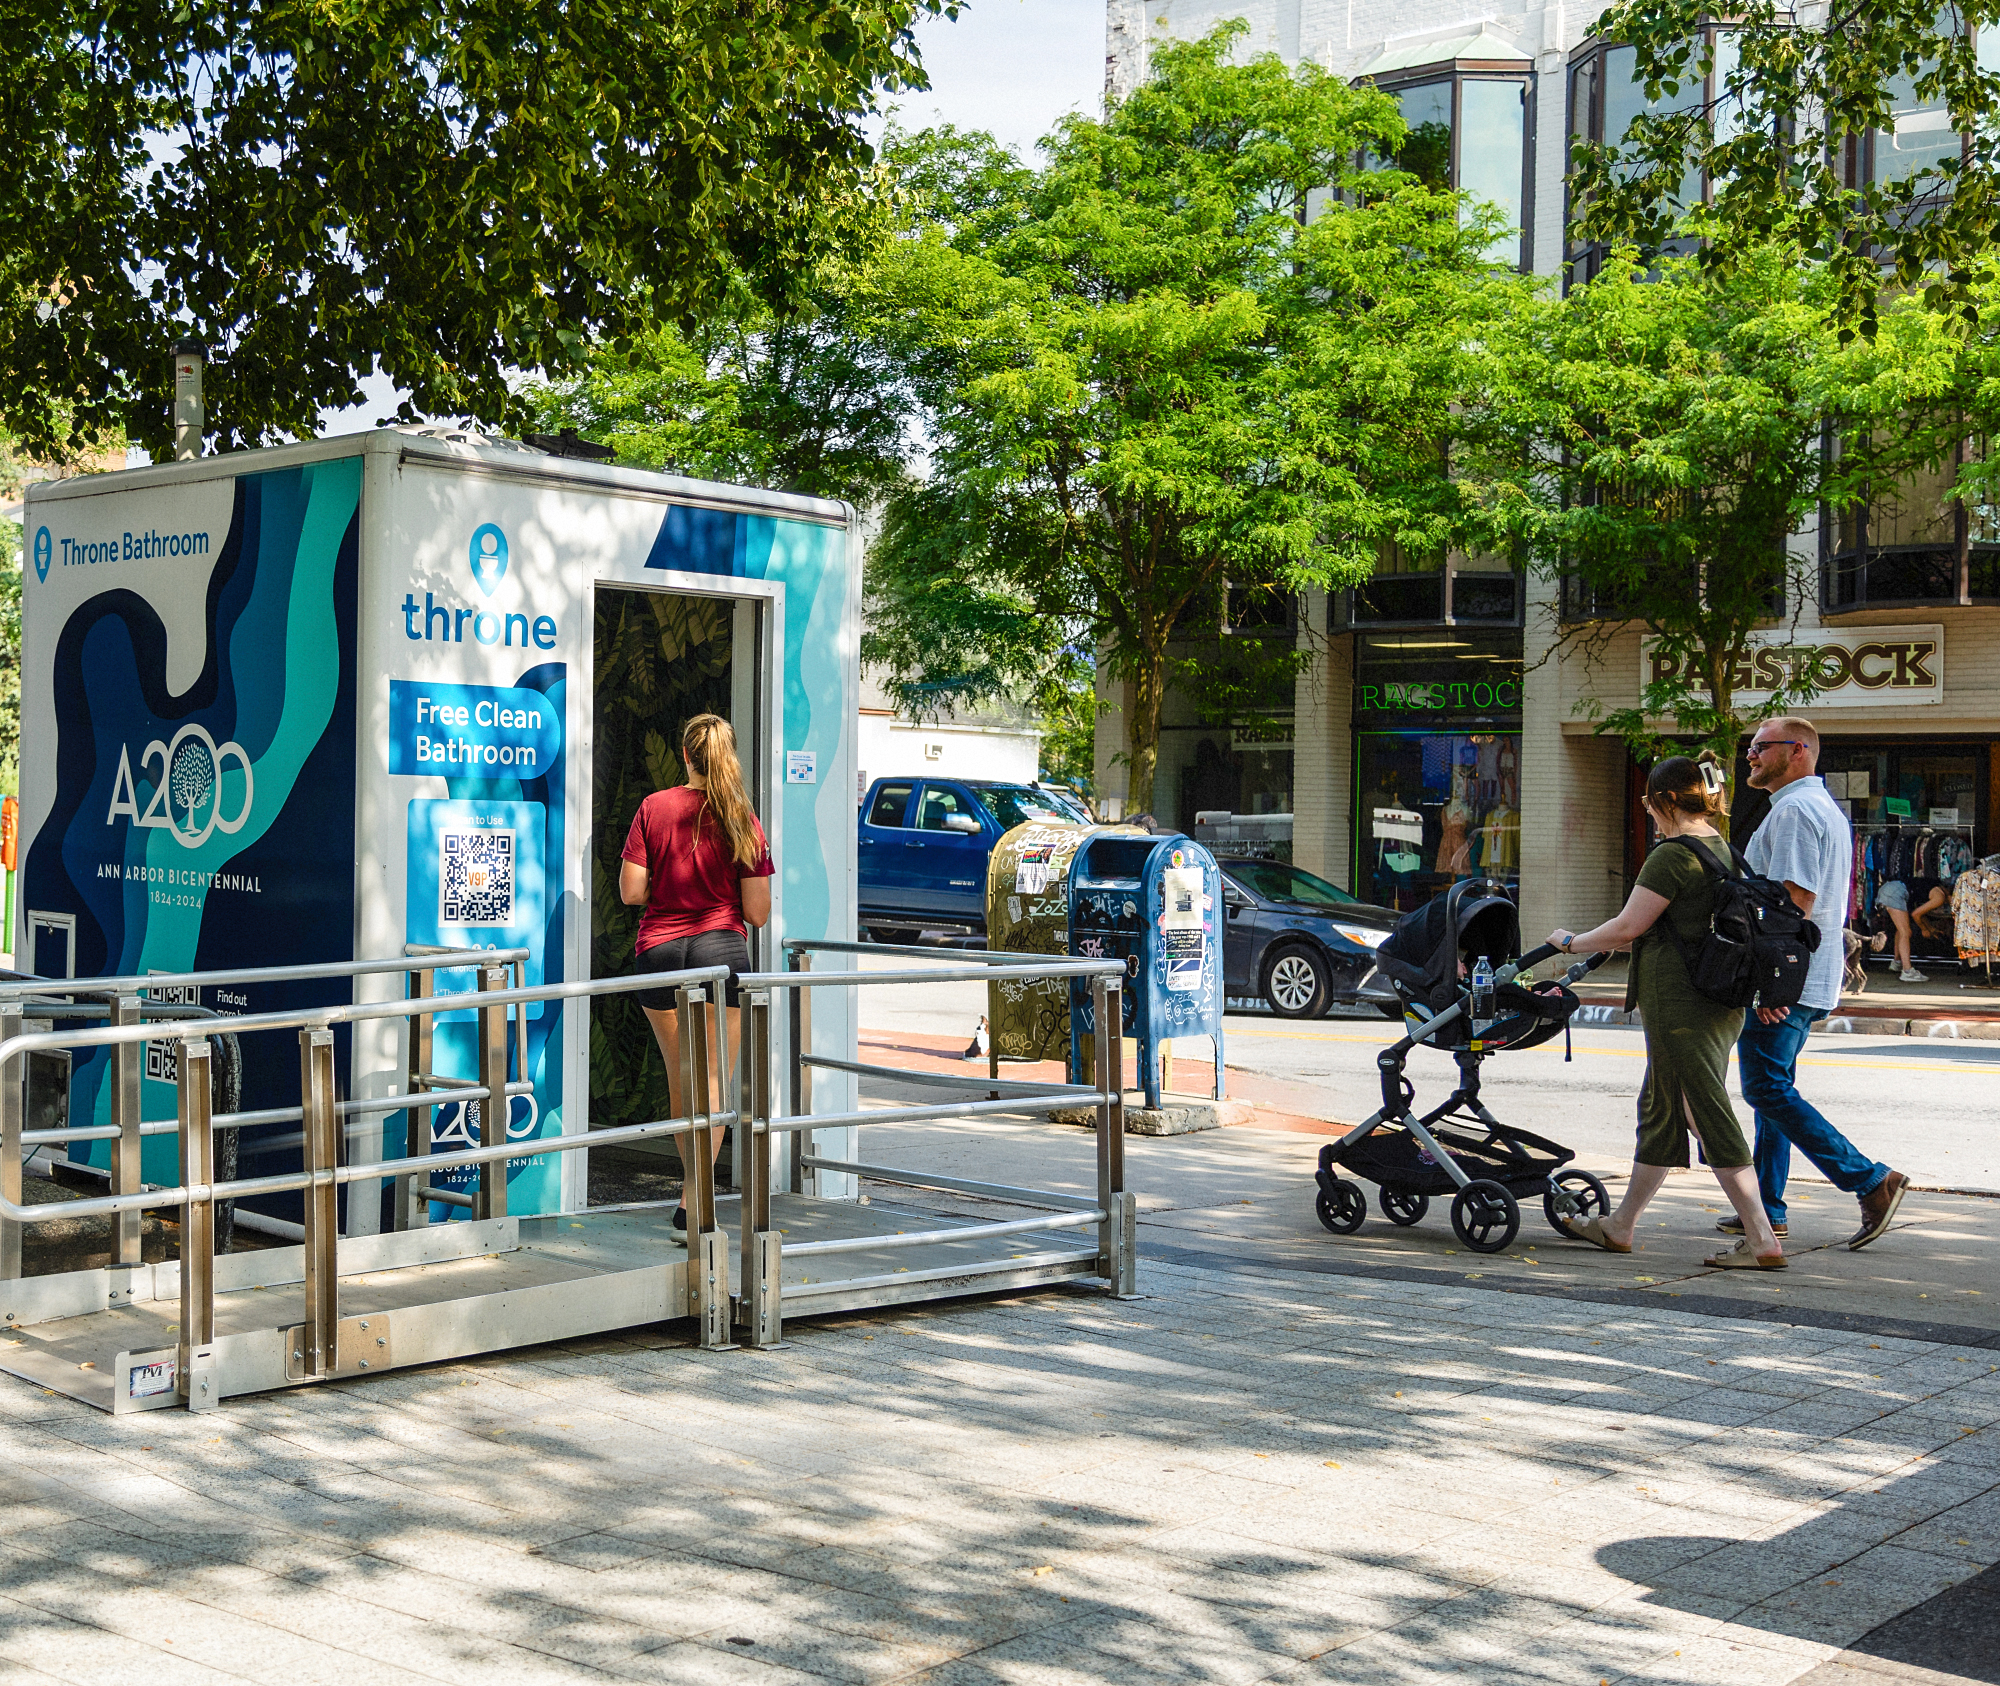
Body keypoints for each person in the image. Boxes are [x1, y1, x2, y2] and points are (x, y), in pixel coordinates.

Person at [1548, 754, 1787, 1269]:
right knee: (1663, 1109)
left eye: (1649, 802)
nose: (1648, 811)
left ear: (1666, 801)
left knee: (1704, 1111)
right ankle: (1620, 1225)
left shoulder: (1673, 855)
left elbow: (1626, 928)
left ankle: (1762, 1237)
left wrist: (1570, 942)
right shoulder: (1721, 847)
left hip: (1682, 1003)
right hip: (1717, 1000)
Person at [1736, 718, 1909, 1250]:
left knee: (1765, 1088)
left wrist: (1772, 988)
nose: (1751, 757)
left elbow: (1792, 903)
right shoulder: (1819, 807)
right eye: (1751, 748)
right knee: (1774, 1091)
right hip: (1811, 972)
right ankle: (1767, 1209)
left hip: (1788, 979)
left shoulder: (1793, 811)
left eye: (1761, 748)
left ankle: (1868, 1179)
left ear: (1799, 751)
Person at [620, 713, 773, 1242]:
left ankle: (691, 1194)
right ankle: (695, 1202)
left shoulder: (652, 808)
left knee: (680, 1077)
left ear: (685, 755)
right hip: (720, 951)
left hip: (659, 950)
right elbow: (757, 913)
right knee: (713, 1080)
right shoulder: (740, 816)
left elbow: (631, 892)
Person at [1876, 874, 1949, 983]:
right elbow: (1916, 914)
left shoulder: (1930, 888)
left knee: (1900, 930)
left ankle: (1897, 963)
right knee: (1906, 932)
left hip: (1889, 889)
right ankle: (1907, 971)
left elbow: (1921, 914)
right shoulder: (1940, 896)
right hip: (1895, 892)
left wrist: (1930, 928)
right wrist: (1924, 929)